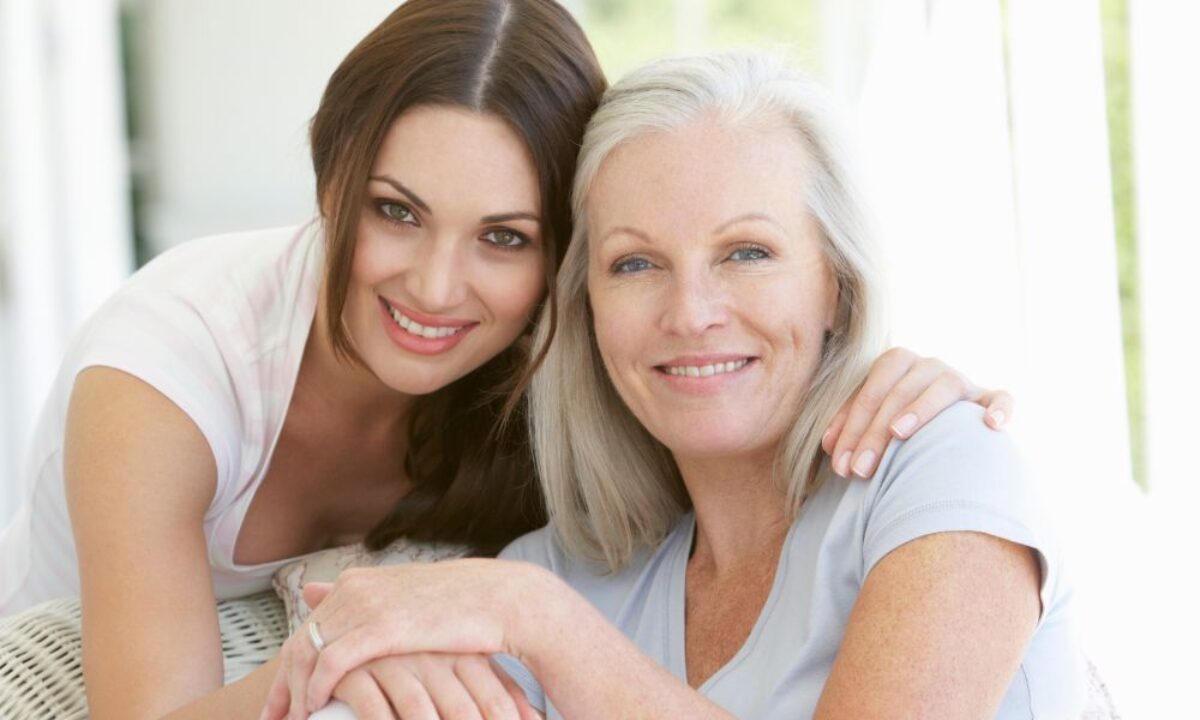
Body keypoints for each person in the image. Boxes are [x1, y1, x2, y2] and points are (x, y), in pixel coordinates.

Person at [0, 2, 1009, 717]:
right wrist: (362, 639)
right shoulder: (168, 370)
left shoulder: (570, 416)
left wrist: (895, 375)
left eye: (505, 237)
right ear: (328, 178)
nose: (438, 288)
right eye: (397, 212)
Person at [264, 51, 1083, 720]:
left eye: (747, 252)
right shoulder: (562, 573)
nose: (690, 313)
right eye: (636, 264)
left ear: (835, 281)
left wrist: (543, 625)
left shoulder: (943, 464)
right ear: (585, 309)